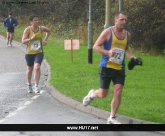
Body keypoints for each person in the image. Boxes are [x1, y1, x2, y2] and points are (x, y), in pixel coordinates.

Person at [83, 12, 137, 124]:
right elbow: (95, 47)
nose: (124, 22)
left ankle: (112, 117)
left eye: (125, 20)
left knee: (118, 91)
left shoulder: (127, 35)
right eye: (122, 20)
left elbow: (126, 49)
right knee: (103, 94)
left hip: (119, 68)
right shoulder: (108, 32)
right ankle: (92, 95)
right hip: (106, 67)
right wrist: (107, 52)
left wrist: (133, 58)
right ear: (115, 20)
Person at [21, 15, 50, 94]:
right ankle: (29, 84)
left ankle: (36, 85)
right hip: (29, 52)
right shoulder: (28, 29)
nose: (37, 21)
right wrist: (31, 38)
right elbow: (23, 41)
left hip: (39, 52)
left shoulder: (41, 28)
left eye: (37, 20)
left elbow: (49, 31)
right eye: (35, 20)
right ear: (31, 21)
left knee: (37, 67)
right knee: (30, 69)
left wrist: (45, 40)